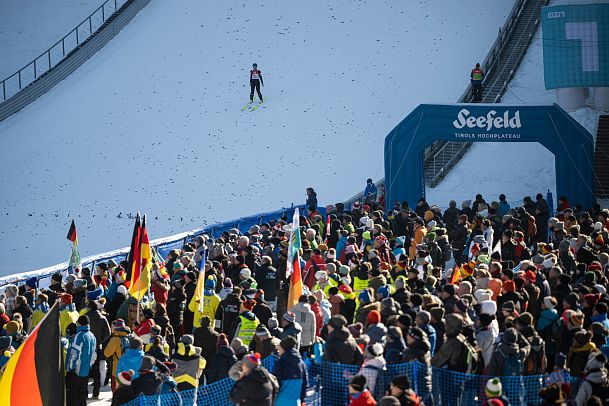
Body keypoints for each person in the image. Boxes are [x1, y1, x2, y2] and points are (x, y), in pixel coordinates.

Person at [65, 315, 97, 406]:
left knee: (72, 397)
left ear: (79, 323)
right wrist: (88, 366)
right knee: (82, 396)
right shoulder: (92, 336)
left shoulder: (79, 336)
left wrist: (71, 368)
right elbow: (94, 354)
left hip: (75, 372)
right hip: (85, 371)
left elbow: (74, 354)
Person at [273, 336, 309, 406]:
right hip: (296, 402)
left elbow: (275, 384)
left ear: (284, 348)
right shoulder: (301, 363)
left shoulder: (280, 363)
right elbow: (305, 384)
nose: (278, 350)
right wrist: (301, 400)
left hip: (280, 402)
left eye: (279, 347)